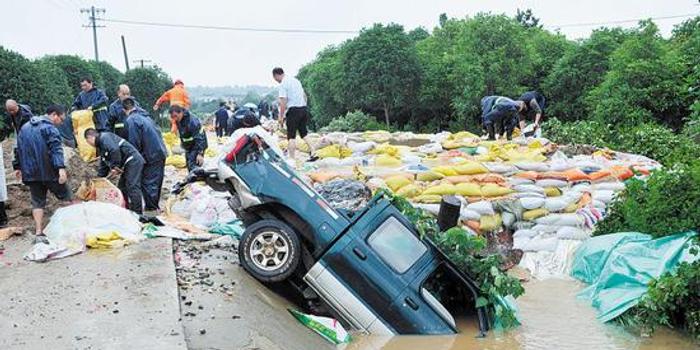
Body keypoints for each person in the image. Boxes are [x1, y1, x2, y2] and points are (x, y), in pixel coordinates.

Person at [13, 104, 73, 242]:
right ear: (54, 115)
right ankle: (71, 226)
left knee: (37, 202)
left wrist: (17, 167)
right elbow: (56, 149)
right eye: (61, 119)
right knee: (66, 197)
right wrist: (60, 168)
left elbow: (18, 149)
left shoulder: (25, 128)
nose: (61, 122)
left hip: (31, 173)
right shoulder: (50, 129)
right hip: (49, 171)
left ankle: (39, 232)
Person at [123, 97, 168, 214]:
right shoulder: (145, 116)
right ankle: (154, 208)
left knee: (149, 183)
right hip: (159, 152)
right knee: (156, 182)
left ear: (125, 110)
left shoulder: (132, 120)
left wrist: (133, 161)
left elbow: (134, 143)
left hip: (151, 154)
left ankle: (151, 212)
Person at [84, 128, 145, 214]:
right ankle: (125, 210)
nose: (90, 145)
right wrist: (99, 179)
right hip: (127, 164)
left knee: (132, 186)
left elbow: (114, 150)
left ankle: (138, 214)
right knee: (122, 187)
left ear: (90, 137)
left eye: (87, 142)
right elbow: (104, 163)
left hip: (133, 160)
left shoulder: (104, 138)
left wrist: (115, 167)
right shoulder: (101, 146)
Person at [272, 67, 316, 161]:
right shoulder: (296, 81)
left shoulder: (283, 84)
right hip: (303, 109)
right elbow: (304, 95)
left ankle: (291, 159)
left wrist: (281, 116)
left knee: (291, 136)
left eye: (275, 79)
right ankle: (313, 151)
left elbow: (283, 101)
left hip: (294, 111)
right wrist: (304, 106)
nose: (276, 81)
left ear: (276, 75)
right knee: (304, 133)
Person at [169, 105, 207, 171]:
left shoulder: (192, 121)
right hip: (188, 147)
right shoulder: (179, 120)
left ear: (181, 112)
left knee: (193, 167)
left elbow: (200, 138)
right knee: (189, 165)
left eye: (176, 116)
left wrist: (200, 153)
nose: (175, 118)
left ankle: (197, 179)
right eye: (172, 117)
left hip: (196, 146)